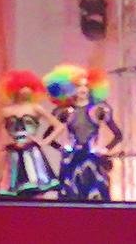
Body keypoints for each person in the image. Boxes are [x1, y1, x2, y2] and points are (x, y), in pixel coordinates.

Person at [43, 64, 123, 200]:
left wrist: (105, 149)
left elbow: (118, 135)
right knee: (71, 195)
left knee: (95, 194)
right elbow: (47, 136)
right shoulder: (64, 111)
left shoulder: (99, 110)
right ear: (70, 90)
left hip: (93, 159)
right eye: (78, 86)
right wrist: (62, 148)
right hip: (72, 160)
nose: (83, 89)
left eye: (86, 86)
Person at [0, 69, 65, 198]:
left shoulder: (35, 108)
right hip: (13, 152)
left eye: (29, 87)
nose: (26, 90)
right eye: (22, 87)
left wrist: (44, 142)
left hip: (31, 152)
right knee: (11, 188)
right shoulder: (7, 111)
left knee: (34, 187)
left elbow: (59, 126)